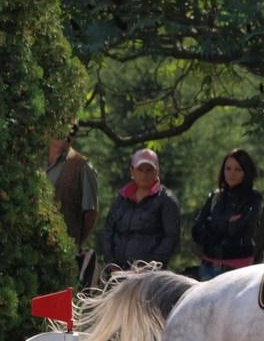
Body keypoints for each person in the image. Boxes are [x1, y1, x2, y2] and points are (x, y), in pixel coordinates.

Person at [102, 148, 181, 270]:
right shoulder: (121, 198)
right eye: (140, 170)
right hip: (117, 271)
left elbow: (171, 237)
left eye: (149, 170)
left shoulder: (166, 200)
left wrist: (150, 266)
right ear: (132, 171)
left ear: (157, 171)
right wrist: (111, 263)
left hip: (149, 273)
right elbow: (108, 231)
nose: (144, 175)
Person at [192, 149, 262, 281]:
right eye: (228, 168)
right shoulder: (215, 196)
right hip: (209, 265)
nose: (231, 174)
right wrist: (225, 224)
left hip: (237, 266)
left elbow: (236, 230)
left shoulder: (253, 198)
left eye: (238, 169)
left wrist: (213, 225)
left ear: (246, 171)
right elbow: (196, 230)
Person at [46, 122, 99, 287]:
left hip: (63, 252)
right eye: (58, 129)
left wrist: (75, 244)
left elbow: (90, 213)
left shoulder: (82, 166)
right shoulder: (33, 161)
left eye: (70, 132)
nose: (64, 136)